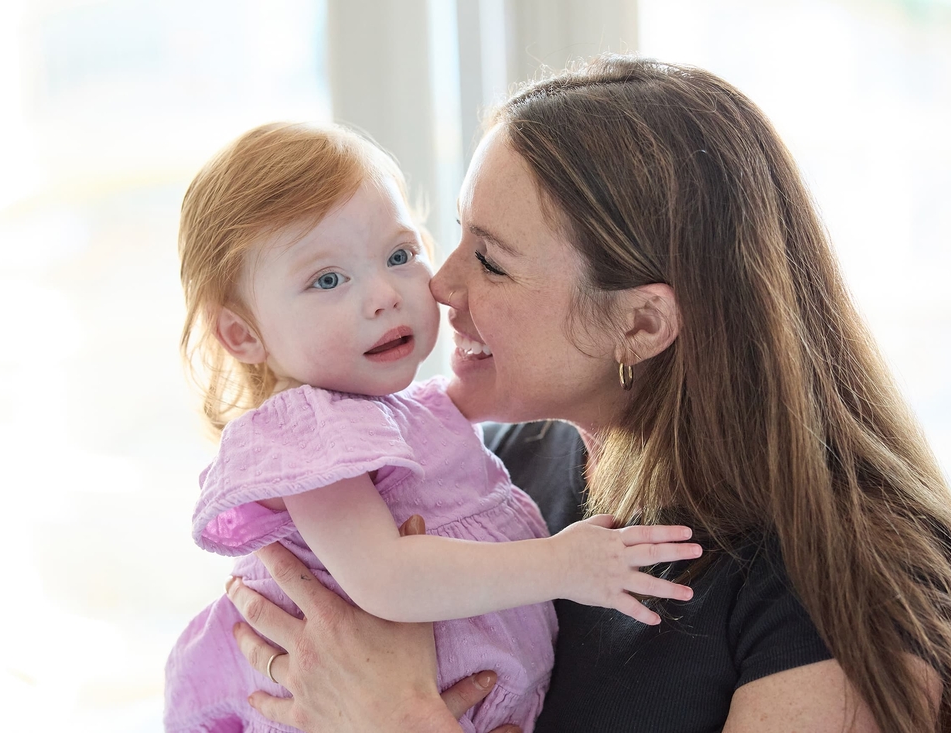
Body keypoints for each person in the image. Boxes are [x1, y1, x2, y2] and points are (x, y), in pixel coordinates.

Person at [223, 56, 951, 733]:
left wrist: (399, 719)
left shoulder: (855, 586)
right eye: (451, 235)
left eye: (491, 260)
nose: (439, 284)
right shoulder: (498, 469)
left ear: (639, 323)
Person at [163, 121, 702, 733]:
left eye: (398, 255)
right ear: (242, 334)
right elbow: (386, 579)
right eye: (328, 279)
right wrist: (562, 564)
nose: (383, 295)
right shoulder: (307, 442)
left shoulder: (419, 412)